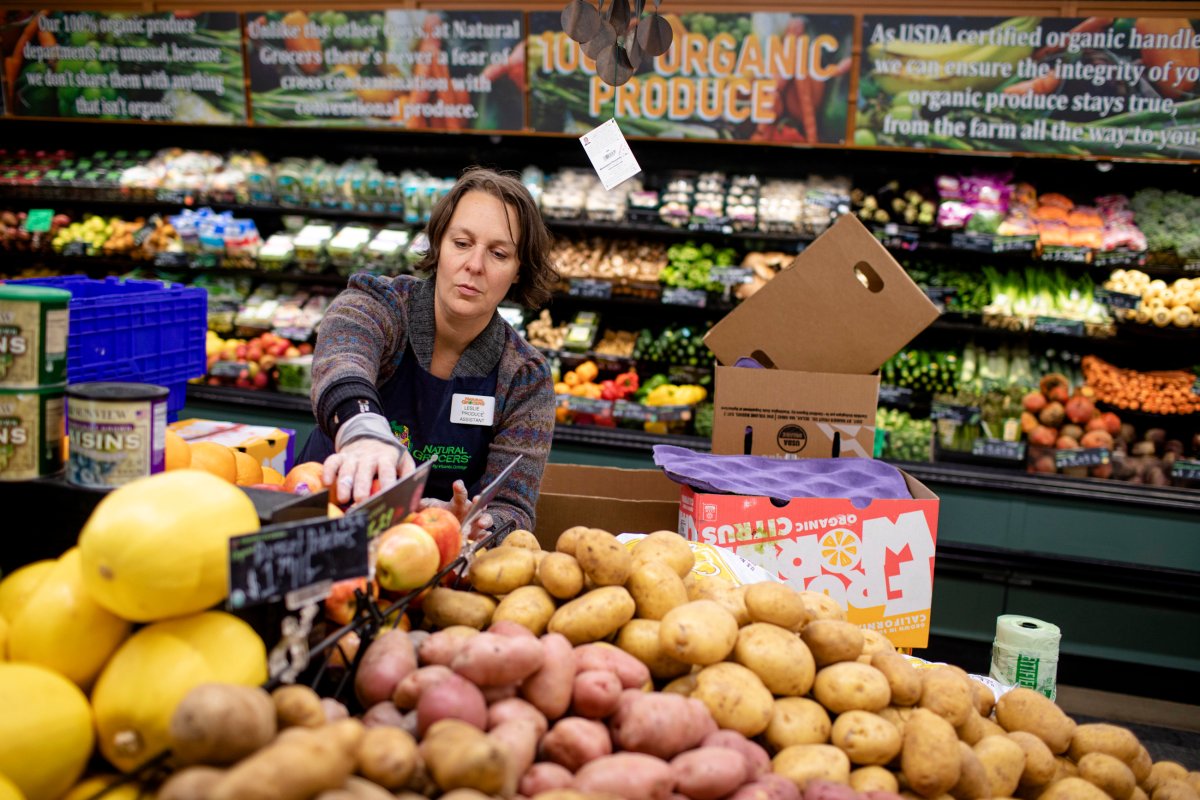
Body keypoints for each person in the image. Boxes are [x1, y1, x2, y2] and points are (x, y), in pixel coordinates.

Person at [303, 166, 559, 537]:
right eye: (462, 243)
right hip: (321, 519)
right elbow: (342, 356)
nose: (474, 265)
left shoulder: (524, 379)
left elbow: (513, 509)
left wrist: (479, 527)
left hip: (432, 557)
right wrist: (362, 430)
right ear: (438, 244)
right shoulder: (383, 305)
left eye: (499, 253)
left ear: (519, 270)